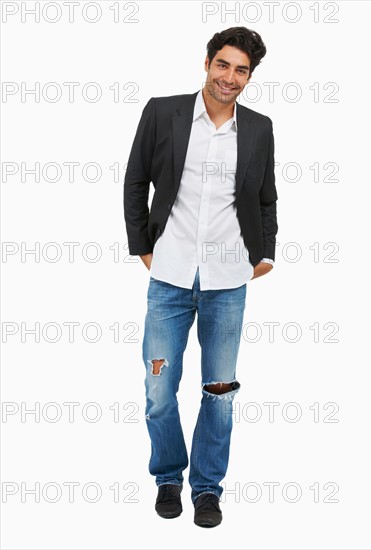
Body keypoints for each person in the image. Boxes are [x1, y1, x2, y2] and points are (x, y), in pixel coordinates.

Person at [123, 26, 278, 528]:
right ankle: (168, 477)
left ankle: (207, 489)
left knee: (220, 391)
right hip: (168, 276)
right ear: (206, 63)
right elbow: (135, 181)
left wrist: (265, 254)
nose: (230, 78)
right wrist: (142, 246)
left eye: (242, 70)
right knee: (158, 389)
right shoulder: (162, 112)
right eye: (223, 65)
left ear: (249, 76)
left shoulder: (258, 127)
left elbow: (265, 196)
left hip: (228, 281)